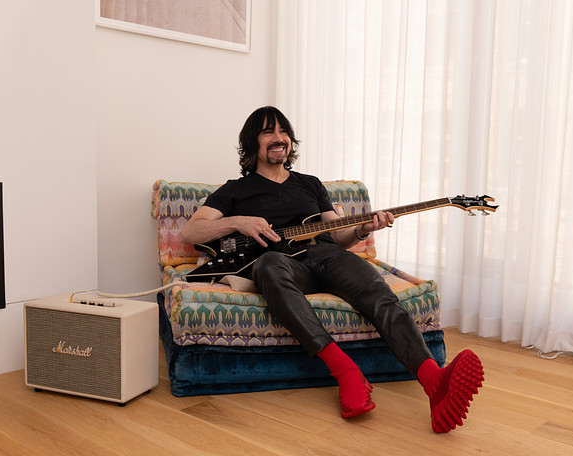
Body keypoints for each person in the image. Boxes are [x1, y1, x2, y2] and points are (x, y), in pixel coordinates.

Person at [181, 106, 484, 433]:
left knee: (376, 291)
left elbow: (338, 236)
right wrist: (238, 220)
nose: (279, 138)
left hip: (325, 256)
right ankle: (347, 373)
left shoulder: (310, 185)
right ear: (252, 143)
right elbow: (192, 232)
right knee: (269, 264)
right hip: (281, 265)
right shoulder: (235, 190)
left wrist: (365, 228)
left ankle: (434, 381)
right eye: (268, 131)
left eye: (283, 131)